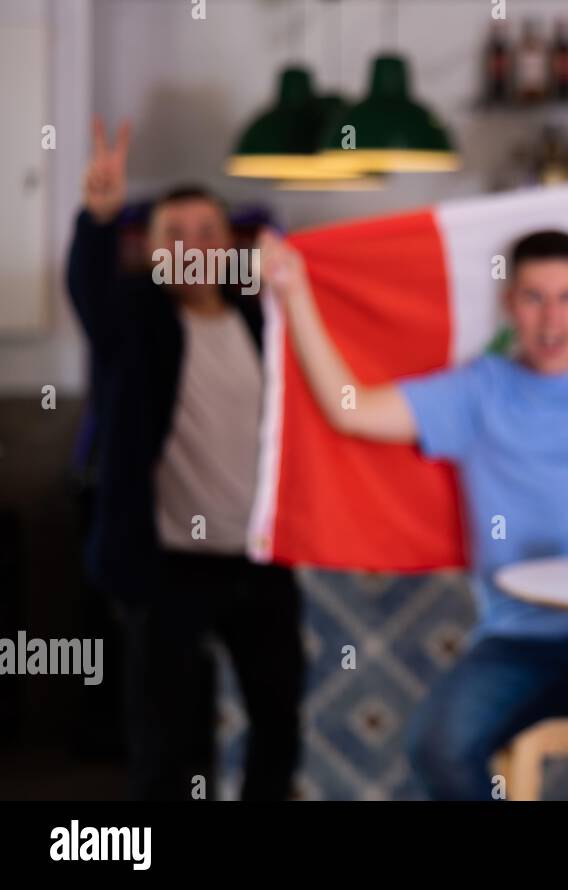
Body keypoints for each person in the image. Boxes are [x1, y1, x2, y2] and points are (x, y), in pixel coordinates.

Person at [258, 224, 568, 799]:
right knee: (436, 745)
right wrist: (294, 290)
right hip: (519, 636)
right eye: (533, 297)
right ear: (509, 306)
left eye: (567, 297)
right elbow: (349, 409)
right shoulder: (479, 391)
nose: (551, 318)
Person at [68, 118, 303, 800]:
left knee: (278, 721)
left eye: (208, 232)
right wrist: (98, 218)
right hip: (166, 564)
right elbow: (91, 289)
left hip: (260, 559)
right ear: (152, 250)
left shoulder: (264, 321)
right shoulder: (133, 322)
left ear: (232, 244)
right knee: (165, 737)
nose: (194, 246)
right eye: (176, 233)